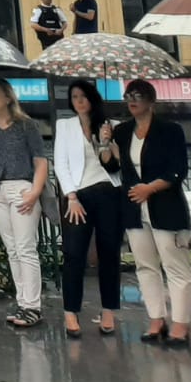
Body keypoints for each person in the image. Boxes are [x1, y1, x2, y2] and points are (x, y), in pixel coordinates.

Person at [114, 79, 191, 347]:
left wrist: (150, 188)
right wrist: (105, 144)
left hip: (165, 206)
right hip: (134, 208)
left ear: (151, 99)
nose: (131, 100)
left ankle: (180, 323)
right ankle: (156, 319)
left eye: (137, 95)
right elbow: (114, 166)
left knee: (175, 265)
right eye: (128, 96)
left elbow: (178, 169)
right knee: (145, 265)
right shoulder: (122, 131)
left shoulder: (170, 130)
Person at [0, 77, 48, 329]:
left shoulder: (25, 125)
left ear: (8, 97)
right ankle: (22, 301)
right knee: (12, 249)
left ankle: (33, 305)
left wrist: (35, 192)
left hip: (22, 187)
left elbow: (41, 161)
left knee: (26, 248)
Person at [54, 78, 122, 337]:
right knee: (73, 254)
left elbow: (117, 166)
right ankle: (70, 312)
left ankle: (108, 310)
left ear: (92, 98)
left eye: (83, 96)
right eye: (74, 97)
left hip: (108, 192)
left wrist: (108, 142)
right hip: (78, 195)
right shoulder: (65, 126)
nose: (79, 102)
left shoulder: (111, 126)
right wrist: (71, 196)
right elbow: (61, 163)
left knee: (109, 253)